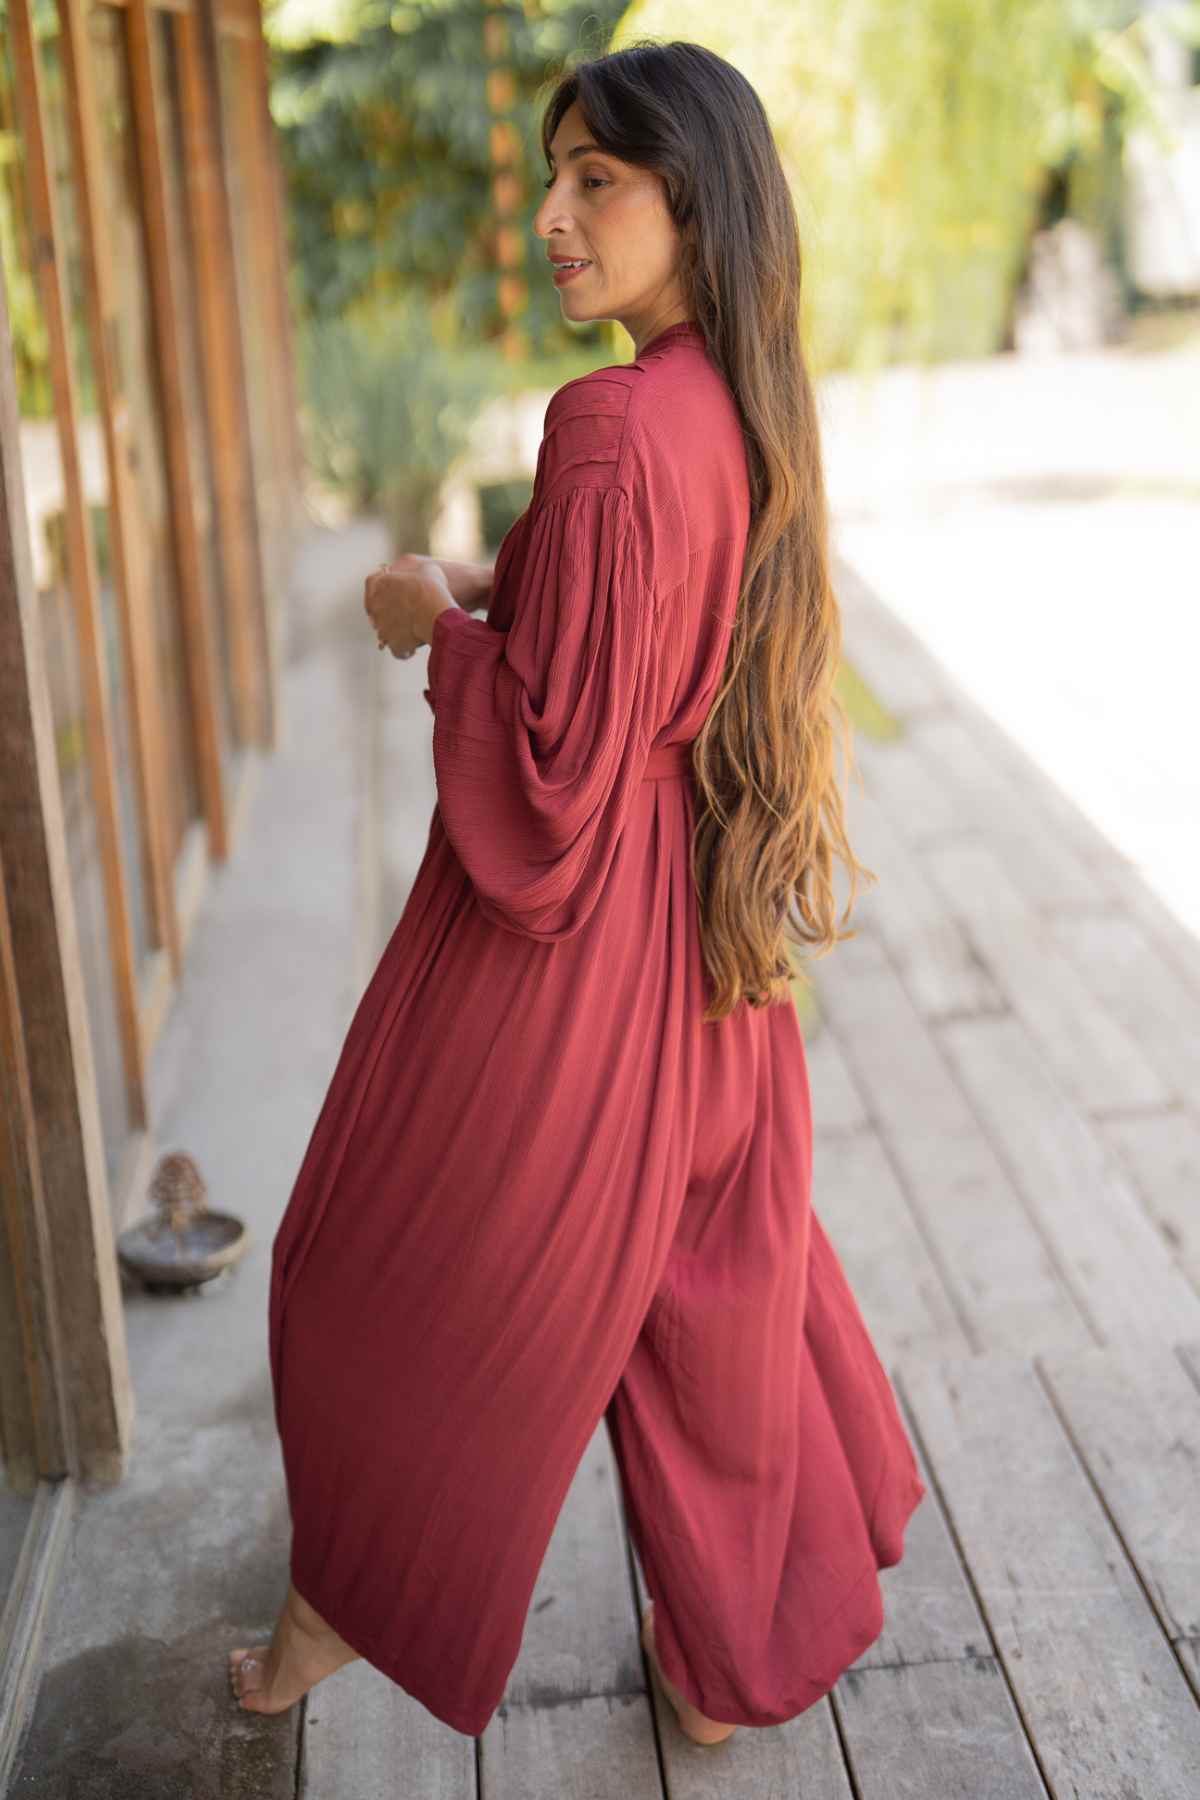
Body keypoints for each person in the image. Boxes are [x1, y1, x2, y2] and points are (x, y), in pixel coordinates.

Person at [229, 38, 925, 1746]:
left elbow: (550, 766)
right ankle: (729, 1667)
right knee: (707, 1305)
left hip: (581, 948)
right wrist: (489, 579)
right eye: (553, 178)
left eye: (592, 180)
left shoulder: (605, 421)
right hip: (712, 940)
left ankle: (338, 1606)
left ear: (691, 198)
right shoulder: (734, 407)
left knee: (362, 1265)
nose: (550, 216)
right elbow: (630, 620)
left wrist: (434, 634)